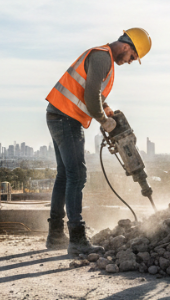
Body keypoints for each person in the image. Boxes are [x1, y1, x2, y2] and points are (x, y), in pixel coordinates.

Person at [45, 28, 152, 256]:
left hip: (58, 114)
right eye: (133, 57)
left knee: (65, 175)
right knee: (77, 175)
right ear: (126, 47)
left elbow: (95, 94)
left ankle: (55, 235)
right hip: (66, 118)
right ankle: (77, 238)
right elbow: (90, 93)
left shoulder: (103, 57)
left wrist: (104, 107)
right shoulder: (103, 56)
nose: (131, 62)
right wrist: (104, 120)